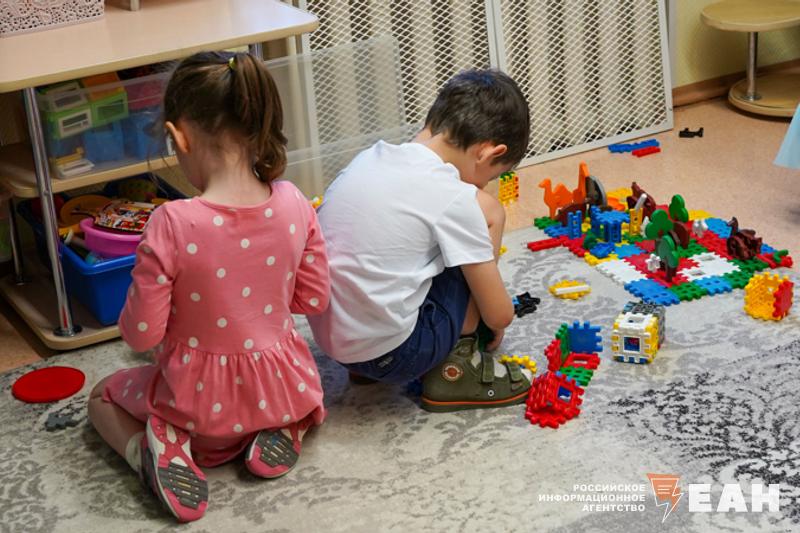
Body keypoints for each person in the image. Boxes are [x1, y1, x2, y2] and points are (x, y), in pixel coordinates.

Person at [87, 51, 330, 522]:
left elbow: (141, 334)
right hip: (284, 388)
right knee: (296, 391)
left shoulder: (172, 222)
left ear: (178, 136)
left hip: (195, 408)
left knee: (102, 396)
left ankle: (147, 451)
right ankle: (284, 424)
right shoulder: (295, 202)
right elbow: (314, 299)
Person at [308, 69, 531, 412]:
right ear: (487, 154)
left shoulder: (368, 158)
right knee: (488, 212)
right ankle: (459, 367)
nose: (484, 184)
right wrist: (488, 318)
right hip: (398, 355)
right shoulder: (452, 196)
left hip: (336, 344)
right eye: (492, 175)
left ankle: (365, 369)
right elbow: (500, 315)